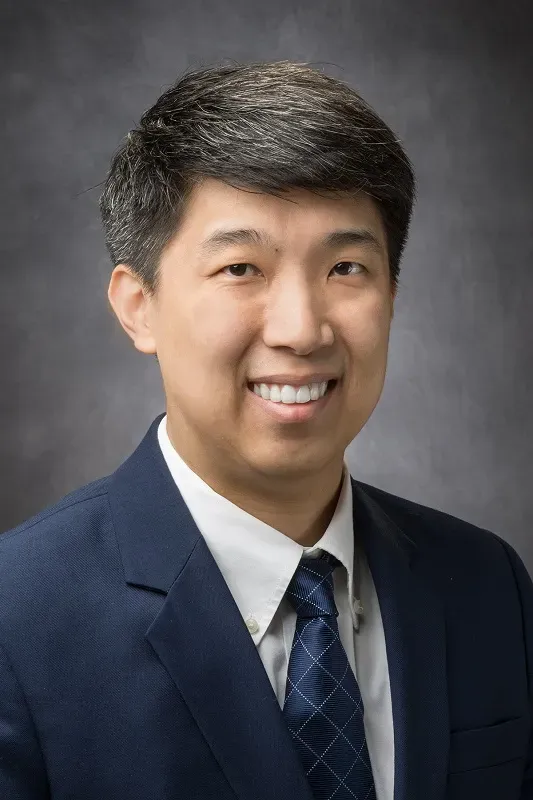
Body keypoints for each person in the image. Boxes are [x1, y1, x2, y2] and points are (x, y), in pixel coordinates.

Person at [0, 60, 531, 800]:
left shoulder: (485, 583)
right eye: (241, 268)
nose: (301, 329)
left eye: (345, 268)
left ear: (392, 295)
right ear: (138, 306)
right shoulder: (17, 616)